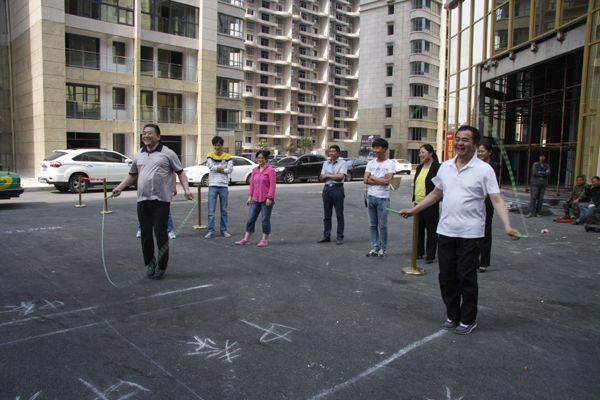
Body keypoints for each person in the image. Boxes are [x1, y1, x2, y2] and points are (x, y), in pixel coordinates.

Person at [399, 126, 521, 335]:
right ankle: (453, 315)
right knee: (446, 277)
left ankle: (468, 318)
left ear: (475, 144)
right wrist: (414, 210)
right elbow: (435, 194)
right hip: (446, 231)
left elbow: (497, 200)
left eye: (465, 139)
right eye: (458, 139)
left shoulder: (484, 170)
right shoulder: (445, 167)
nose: (460, 143)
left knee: (466, 277)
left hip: (470, 234)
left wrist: (507, 226)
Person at [112, 124, 194, 279]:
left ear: (158, 136)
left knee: (161, 234)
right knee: (145, 234)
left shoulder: (168, 153)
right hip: (143, 199)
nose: (146, 136)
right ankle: (150, 263)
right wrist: (119, 187)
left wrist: (187, 189)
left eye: (149, 133)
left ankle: (162, 266)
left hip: (161, 200)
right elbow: (132, 174)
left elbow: (180, 172)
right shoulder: (139, 154)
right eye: (144, 133)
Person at [236, 150, 276, 247]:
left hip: (265, 199)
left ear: (266, 159)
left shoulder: (270, 170)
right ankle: (246, 239)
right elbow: (252, 185)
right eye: (258, 158)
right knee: (251, 219)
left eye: (262, 158)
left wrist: (270, 198)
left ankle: (264, 240)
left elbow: (272, 185)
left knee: (265, 219)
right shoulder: (255, 170)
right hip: (255, 198)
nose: (259, 159)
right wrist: (250, 197)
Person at [364, 138, 396, 258]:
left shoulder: (390, 164)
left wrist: (373, 177)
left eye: (377, 148)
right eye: (374, 148)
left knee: (382, 225)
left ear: (384, 149)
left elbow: (387, 182)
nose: (375, 150)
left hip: (383, 198)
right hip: (370, 197)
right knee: (372, 225)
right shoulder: (370, 163)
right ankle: (374, 247)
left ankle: (383, 249)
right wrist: (380, 179)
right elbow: (365, 180)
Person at [412, 144, 440, 264]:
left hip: (430, 203)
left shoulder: (437, 168)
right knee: (418, 229)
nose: (421, 155)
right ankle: (419, 252)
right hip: (418, 203)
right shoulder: (419, 167)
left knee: (431, 230)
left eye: (423, 152)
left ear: (431, 153)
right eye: (420, 153)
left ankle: (430, 255)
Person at [476, 142, 500, 273]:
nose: (480, 154)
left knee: (485, 232)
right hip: (475, 202)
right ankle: (474, 259)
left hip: (487, 203)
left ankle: (484, 262)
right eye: (479, 151)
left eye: (483, 151)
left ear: (490, 152)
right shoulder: (475, 165)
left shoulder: (494, 167)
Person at [318, 145, 348, 245]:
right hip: (327, 189)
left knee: (339, 214)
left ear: (338, 153)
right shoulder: (325, 163)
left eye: (333, 151)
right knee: (327, 215)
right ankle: (326, 235)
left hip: (337, 189)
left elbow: (340, 177)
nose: (331, 153)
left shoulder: (343, 163)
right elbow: (322, 177)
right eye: (330, 151)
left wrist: (327, 176)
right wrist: (333, 177)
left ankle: (340, 236)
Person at [205, 136, 233, 239]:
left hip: (223, 186)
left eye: (219, 145)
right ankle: (210, 230)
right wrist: (222, 168)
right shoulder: (210, 155)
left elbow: (230, 170)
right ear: (213, 146)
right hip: (212, 185)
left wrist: (216, 168)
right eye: (215, 145)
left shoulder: (227, 156)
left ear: (222, 145)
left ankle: (224, 230)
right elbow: (210, 167)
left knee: (224, 210)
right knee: (211, 211)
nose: (217, 147)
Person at [137, 172, 177, 239]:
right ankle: (141, 229)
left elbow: (173, 173)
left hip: (162, 190)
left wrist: (173, 186)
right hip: (148, 189)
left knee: (165, 211)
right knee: (145, 211)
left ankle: (169, 230)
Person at [527, 152, 550, 218]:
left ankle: (538, 212)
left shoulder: (547, 166)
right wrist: (543, 173)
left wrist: (540, 172)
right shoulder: (535, 164)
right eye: (541, 156)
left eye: (543, 156)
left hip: (543, 184)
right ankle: (531, 212)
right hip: (535, 183)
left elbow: (548, 173)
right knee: (533, 198)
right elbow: (534, 173)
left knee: (540, 199)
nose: (542, 158)